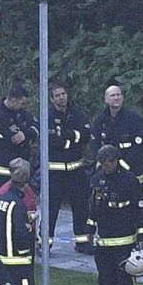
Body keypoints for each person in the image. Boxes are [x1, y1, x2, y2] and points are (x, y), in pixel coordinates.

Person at [87, 143, 143, 285]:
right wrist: (90, 229)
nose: (105, 166)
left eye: (108, 163)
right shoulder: (98, 179)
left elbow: (140, 210)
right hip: (104, 243)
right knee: (106, 282)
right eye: (102, 163)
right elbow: (94, 207)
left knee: (125, 282)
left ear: (115, 161)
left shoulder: (129, 181)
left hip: (125, 242)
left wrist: (142, 237)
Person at [45, 80, 91, 251]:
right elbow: (53, 141)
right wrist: (72, 138)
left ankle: (82, 241)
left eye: (63, 94)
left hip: (76, 169)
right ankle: (45, 243)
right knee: (51, 209)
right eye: (57, 95)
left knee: (81, 206)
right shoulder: (48, 116)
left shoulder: (76, 113)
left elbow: (86, 134)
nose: (61, 98)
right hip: (54, 170)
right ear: (51, 99)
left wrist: (67, 137)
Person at [91, 80, 143, 181]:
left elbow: (139, 146)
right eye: (112, 96)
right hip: (106, 171)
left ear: (123, 97)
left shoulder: (134, 119)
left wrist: (120, 164)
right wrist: (104, 164)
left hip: (130, 170)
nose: (116, 98)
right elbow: (95, 145)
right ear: (106, 99)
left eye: (118, 95)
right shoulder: (99, 120)